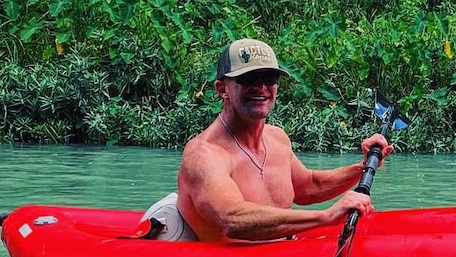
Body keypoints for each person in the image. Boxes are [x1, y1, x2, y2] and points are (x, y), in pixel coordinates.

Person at [146, 38, 390, 243]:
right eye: (248, 79)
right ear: (222, 89)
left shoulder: (276, 138)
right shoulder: (205, 154)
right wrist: (326, 216)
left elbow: (308, 187)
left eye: (269, 78)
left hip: (276, 251)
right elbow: (232, 219)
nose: (261, 87)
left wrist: (363, 167)